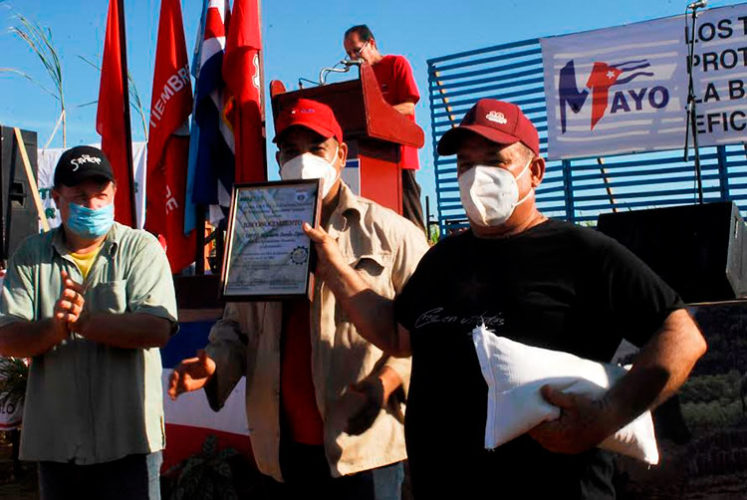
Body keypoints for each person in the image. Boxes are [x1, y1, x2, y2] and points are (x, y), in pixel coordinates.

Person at [303, 98, 707, 498]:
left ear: (535, 171)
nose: (476, 177)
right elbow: (396, 333)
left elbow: (683, 335)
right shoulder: (442, 259)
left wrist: (606, 415)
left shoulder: (582, 252)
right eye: (465, 165)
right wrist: (335, 268)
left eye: (495, 162)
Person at [169, 98, 429, 500]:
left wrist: (385, 382)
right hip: (281, 452)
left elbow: (426, 334)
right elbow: (236, 325)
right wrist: (214, 363)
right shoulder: (255, 231)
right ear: (278, 160)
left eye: (316, 148)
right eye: (291, 151)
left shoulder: (393, 235)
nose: (303, 160)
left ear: (340, 154)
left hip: (362, 451)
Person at [0, 145, 178, 500]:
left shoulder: (140, 249)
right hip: (58, 446)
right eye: (80, 196)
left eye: (101, 195)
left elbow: (157, 328)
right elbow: (7, 338)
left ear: (115, 193)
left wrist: (86, 322)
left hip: (129, 443)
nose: (93, 205)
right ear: (57, 199)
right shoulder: (31, 255)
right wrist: (54, 329)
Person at [344, 24, 426, 232]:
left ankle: (423, 250)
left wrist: (375, 117)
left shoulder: (396, 63)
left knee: (410, 216)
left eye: (356, 50)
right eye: (349, 54)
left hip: (400, 153)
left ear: (371, 43)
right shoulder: (364, 75)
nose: (353, 57)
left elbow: (408, 106)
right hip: (374, 158)